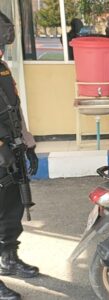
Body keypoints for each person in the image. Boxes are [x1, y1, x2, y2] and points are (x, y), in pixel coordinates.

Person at [0, 11, 40, 300]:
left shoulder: (3, 69)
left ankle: (9, 258)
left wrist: (28, 144)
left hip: (10, 154)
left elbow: (15, 109)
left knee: (12, 209)